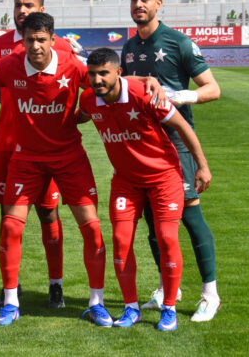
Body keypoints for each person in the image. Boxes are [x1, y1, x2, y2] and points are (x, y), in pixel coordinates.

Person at [0, 12, 111, 327]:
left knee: (91, 227)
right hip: (26, 159)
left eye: (41, 39)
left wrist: (144, 83)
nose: (35, 46)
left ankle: (96, 303)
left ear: (53, 40)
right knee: (10, 227)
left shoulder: (73, 65)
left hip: (69, 157)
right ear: (23, 40)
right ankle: (11, 302)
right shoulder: (9, 65)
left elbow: (107, 82)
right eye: (30, 40)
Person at [79, 47, 212, 331]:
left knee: (167, 238)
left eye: (104, 73)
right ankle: (131, 308)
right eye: (92, 74)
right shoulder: (88, 100)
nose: (97, 79)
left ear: (118, 72)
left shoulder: (144, 95)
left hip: (164, 177)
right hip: (125, 181)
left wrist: (202, 166)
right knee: (121, 240)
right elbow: (76, 116)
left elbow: (182, 126)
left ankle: (169, 309)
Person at [122, 0, 222, 322]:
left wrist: (177, 96)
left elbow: (212, 88)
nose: (139, 4)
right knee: (153, 219)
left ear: (159, 4)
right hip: (144, 143)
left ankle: (210, 294)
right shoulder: (129, 47)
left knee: (190, 215)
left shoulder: (178, 43)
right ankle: (169, 288)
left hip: (176, 141)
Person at [0, 0, 70, 311]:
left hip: (46, 146)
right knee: (9, 217)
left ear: (42, 9)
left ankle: (56, 285)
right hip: (8, 144)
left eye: (29, 5)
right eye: (18, 5)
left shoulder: (61, 46)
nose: (22, 10)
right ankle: (12, 287)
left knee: (48, 212)